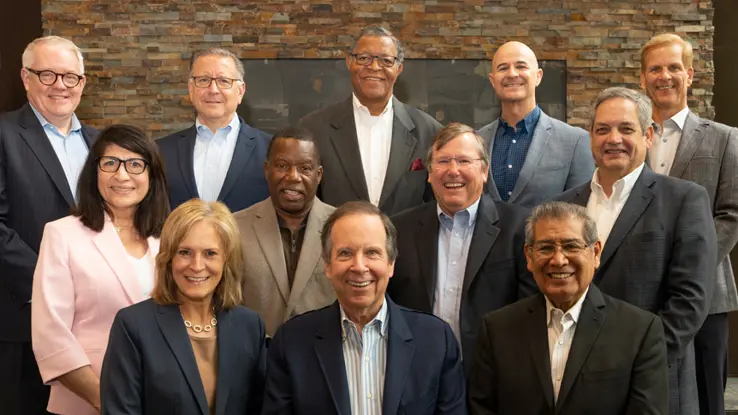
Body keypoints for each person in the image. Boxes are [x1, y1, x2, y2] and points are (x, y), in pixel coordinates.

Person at [557, 87, 716, 415]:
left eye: (626, 129)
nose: (613, 138)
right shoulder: (564, 206)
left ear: (648, 136)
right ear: (591, 138)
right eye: (602, 129)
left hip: (652, 386)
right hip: (573, 388)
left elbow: (689, 304)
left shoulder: (684, 200)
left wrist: (632, 366)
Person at [262, 201, 466, 415]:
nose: (359, 266)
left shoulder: (436, 341)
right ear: (328, 266)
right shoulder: (292, 343)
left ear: (391, 264)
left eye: (371, 252)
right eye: (345, 253)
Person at [468, 201, 668, 415]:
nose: (558, 260)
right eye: (545, 248)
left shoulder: (639, 331)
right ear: (529, 256)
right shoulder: (498, 329)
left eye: (571, 246)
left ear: (596, 252)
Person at [31, 124, 169, 414]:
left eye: (135, 164)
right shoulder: (62, 235)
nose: (122, 175)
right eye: (110, 163)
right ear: (94, 172)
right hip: (86, 400)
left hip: (160, 397)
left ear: (151, 176)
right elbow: (50, 334)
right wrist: (107, 400)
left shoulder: (169, 238)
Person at [640, 33, 738, 415]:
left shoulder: (724, 139)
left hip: (706, 295)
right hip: (641, 294)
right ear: (643, 78)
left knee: (706, 396)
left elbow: (731, 213)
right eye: (655, 69)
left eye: (673, 67)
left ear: (690, 74)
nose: (664, 76)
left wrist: (686, 266)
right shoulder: (632, 140)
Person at [0, 35, 97, 415]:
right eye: (47, 74)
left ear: (83, 83)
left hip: (91, 324)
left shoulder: (102, 143)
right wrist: (47, 283)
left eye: (70, 76)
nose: (60, 85)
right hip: (22, 320)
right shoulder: (4, 135)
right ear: (26, 78)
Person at [388, 122, 536, 368]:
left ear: (484, 170)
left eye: (464, 161)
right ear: (430, 172)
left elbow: (530, 312)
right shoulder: (399, 229)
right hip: (418, 371)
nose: (453, 171)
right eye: (443, 161)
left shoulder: (520, 228)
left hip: (492, 372)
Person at [100, 199, 266, 415]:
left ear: (227, 260)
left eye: (210, 253)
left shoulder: (250, 326)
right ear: (168, 259)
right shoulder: (133, 326)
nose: (197, 266)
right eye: (185, 252)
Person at [298, 25, 442, 215]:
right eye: (364, 58)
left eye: (386, 60)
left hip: (407, 243)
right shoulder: (313, 129)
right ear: (349, 62)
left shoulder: (429, 131)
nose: (374, 67)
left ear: (399, 69)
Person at [234, 126, 336, 336]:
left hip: (323, 360)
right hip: (257, 360)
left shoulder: (342, 227)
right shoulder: (235, 228)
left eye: (305, 168)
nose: (293, 177)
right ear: (266, 170)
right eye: (282, 166)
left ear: (319, 175)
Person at [477, 41, 594, 207]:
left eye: (521, 66)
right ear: (492, 80)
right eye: (503, 68)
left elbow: (581, 212)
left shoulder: (575, 141)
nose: (512, 74)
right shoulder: (477, 140)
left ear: (538, 76)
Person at [158, 47, 271, 212]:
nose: (213, 90)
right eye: (203, 80)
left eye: (224, 81)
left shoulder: (270, 150)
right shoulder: (160, 151)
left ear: (240, 91)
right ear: (191, 89)